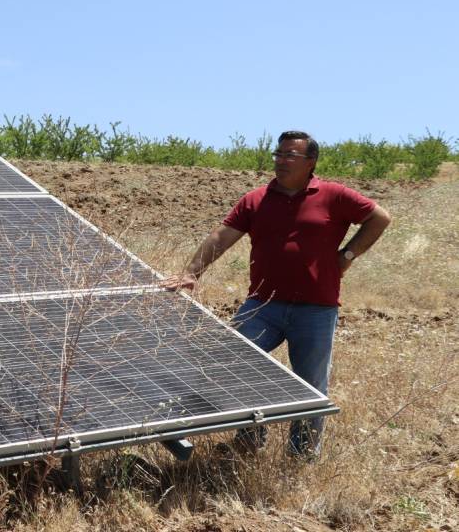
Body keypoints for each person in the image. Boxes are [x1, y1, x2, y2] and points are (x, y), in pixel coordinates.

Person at [161, 130, 391, 458]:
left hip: (316, 308)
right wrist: (190, 272)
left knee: (310, 385)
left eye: (290, 156)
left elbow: (379, 218)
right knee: (234, 358)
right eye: (278, 154)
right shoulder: (256, 199)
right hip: (263, 304)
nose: (281, 161)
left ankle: (301, 457)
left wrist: (346, 257)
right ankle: (251, 436)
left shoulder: (333, 195)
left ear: (310, 162)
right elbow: (222, 235)